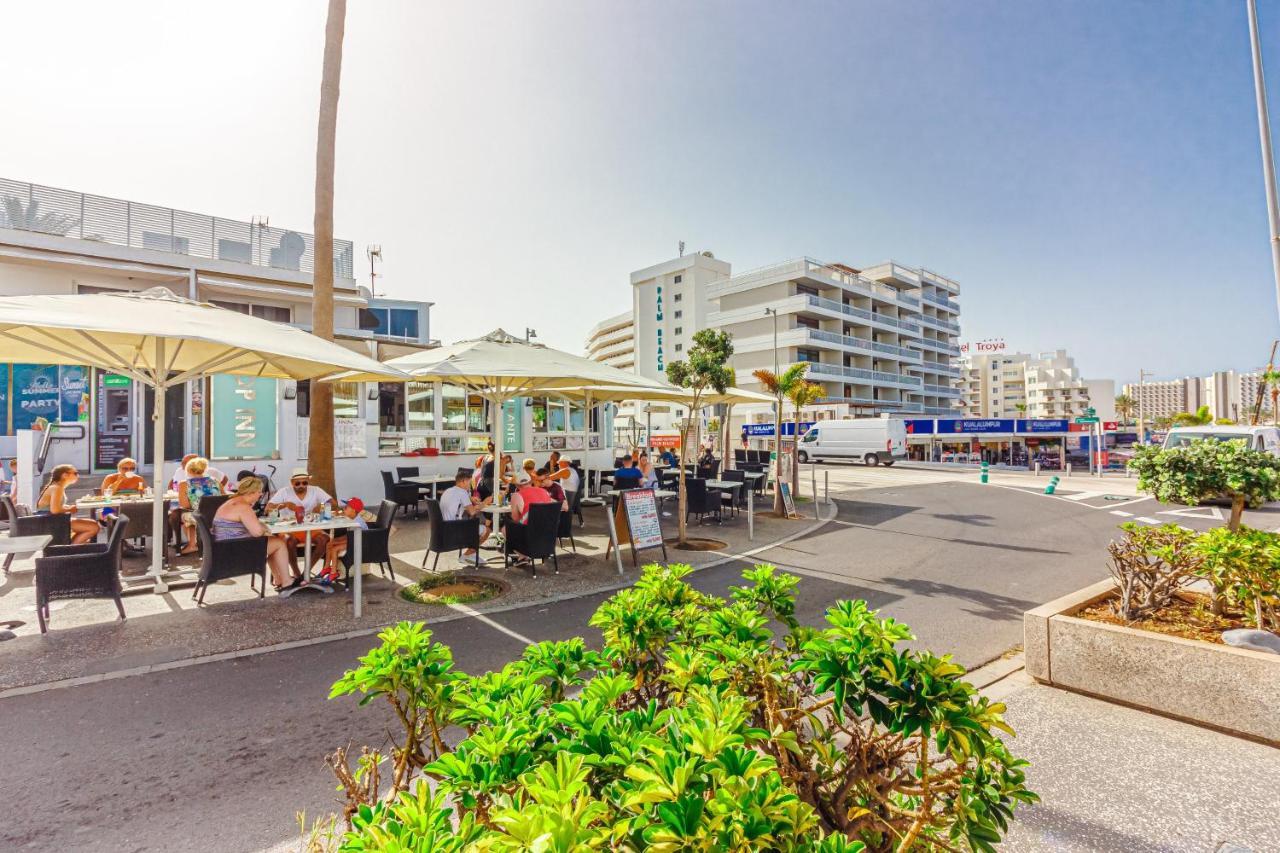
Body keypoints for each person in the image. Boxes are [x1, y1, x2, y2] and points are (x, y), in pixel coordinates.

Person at [212, 476, 297, 592]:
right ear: (251, 492)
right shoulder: (243, 507)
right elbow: (257, 533)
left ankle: (278, 579)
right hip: (235, 552)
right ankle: (287, 581)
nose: (260, 494)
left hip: (225, 548)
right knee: (279, 543)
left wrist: (262, 527)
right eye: (259, 491)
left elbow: (250, 525)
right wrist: (264, 528)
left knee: (272, 541)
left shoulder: (231, 502)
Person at [266, 467, 335, 573]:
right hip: (290, 528)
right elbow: (268, 509)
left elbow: (333, 503)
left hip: (310, 527)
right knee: (290, 542)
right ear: (292, 482)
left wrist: (321, 505)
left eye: (304, 483)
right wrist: (285, 505)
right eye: (297, 483)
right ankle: (297, 572)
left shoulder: (315, 490)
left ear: (308, 481)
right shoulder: (284, 491)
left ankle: (307, 571)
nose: (301, 486)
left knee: (324, 539)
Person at [36, 464, 101, 544]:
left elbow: (54, 506)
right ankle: (71, 549)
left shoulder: (57, 487)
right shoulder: (57, 488)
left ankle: (75, 545)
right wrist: (70, 509)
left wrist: (67, 507)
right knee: (93, 527)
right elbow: (55, 510)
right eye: (75, 473)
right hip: (51, 521)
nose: (78, 475)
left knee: (93, 523)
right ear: (65, 475)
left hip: (53, 519)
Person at [440, 469, 491, 564]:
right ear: (463, 481)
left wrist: (470, 499)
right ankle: (468, 555)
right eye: (469, 482)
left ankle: (470, 554)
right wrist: (485, 502)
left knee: (473, 523)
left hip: (443, 529)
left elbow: (457, 503)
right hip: (455, 530)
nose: (470, 485)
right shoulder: (462, 493)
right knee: (487, 530)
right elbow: (472, 512)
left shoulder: (448, 491)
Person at [318, 497, 374, 583]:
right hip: (352, 538)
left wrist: (339, 542)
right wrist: (339, 513)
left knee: (334, 548)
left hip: (360, 542)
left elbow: (355, 538)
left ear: (354, 510)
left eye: (346, 507)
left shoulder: (357, 522)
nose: (344, 508)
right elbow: (350, 535)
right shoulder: (352, 517)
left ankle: (333, 573)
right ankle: (326, 568)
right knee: (329, 543)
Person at [177, 457, 224, 555]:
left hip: (200, 516)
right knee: (191, 513)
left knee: (184, 515)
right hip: (218, 514)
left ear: (188, 469)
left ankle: (192, 545)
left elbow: (185, 505)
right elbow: (223, 498)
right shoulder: (215, 481)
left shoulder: (184, 484)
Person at [506, 477, 555, 565]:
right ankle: (529, 554)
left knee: (505, 529)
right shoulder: (544, 491)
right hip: (548, 535)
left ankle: (523, 556)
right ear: (531, 482)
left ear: (517, 485)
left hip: (529, 535)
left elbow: (516, 519)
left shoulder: (517, 495)